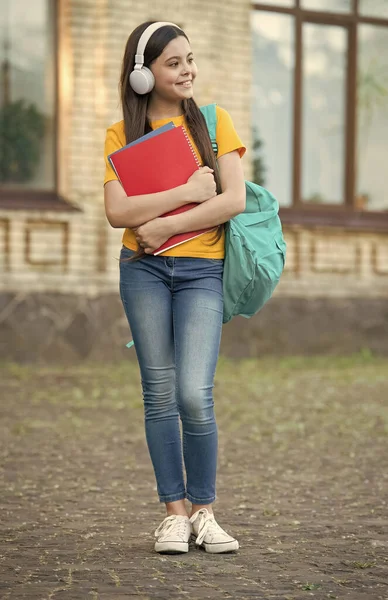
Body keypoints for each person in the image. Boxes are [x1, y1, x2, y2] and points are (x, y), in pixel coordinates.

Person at [103, 20, 246, 554]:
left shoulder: (212, 122)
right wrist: (184, 192)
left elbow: (231, 200)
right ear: (144, 75)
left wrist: (163, 225)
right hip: (141, 272)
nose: (187, 70)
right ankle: (174, 515)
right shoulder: (122, 134)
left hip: (201, 273)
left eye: (190, 59)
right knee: (159, 394)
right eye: (173, 63)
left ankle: (205, 511)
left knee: (193, 393)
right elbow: (119, 212)